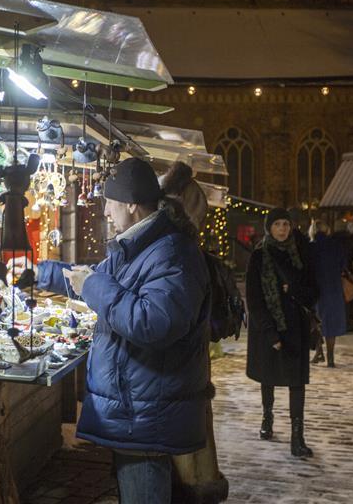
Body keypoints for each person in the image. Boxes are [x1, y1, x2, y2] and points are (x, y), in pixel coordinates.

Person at [29, 157, 211, 504]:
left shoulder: (172, 253)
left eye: (110, 203)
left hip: (147, 413)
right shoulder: (140, 245)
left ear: (130, 204)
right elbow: (91, 277)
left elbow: (153, 323)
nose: (106, 212)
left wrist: (92, 285)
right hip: (139, 406)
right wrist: (40, 272)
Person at [159, 161, 228, 504]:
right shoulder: (187, 253)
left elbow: (166, 322)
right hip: (188, 373)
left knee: (183, 465)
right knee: (191, 449)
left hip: (179, 376)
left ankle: (194, 488)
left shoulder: (178, 257)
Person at [245, 208, 317, 458]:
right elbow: (253, 299)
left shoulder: (302, 253)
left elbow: (313, 291)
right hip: (270, 327)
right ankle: (267, 416)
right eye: (278, 224)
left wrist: (294, 287)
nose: (283, 229)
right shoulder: (259, 256)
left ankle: (297, 438)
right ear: (269, 228)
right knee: (269, 376)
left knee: (297, 382)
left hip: (295, 328)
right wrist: (270, 332)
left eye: (286, 223)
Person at [308, 220, 348, 368]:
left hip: (316, 288)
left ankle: (319, 351)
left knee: (316, 321)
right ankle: (330, 357)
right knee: (331, 324)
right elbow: (342, 265)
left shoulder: (311, 247)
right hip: (333, 288)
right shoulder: (336, 246)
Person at [332, 222, 353, 331]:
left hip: (335, 275)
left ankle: (339, 323)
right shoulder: (351, 242)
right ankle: (350, 322)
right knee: (351, 298)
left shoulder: (332, 242)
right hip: (350, 274)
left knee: (338, 300)